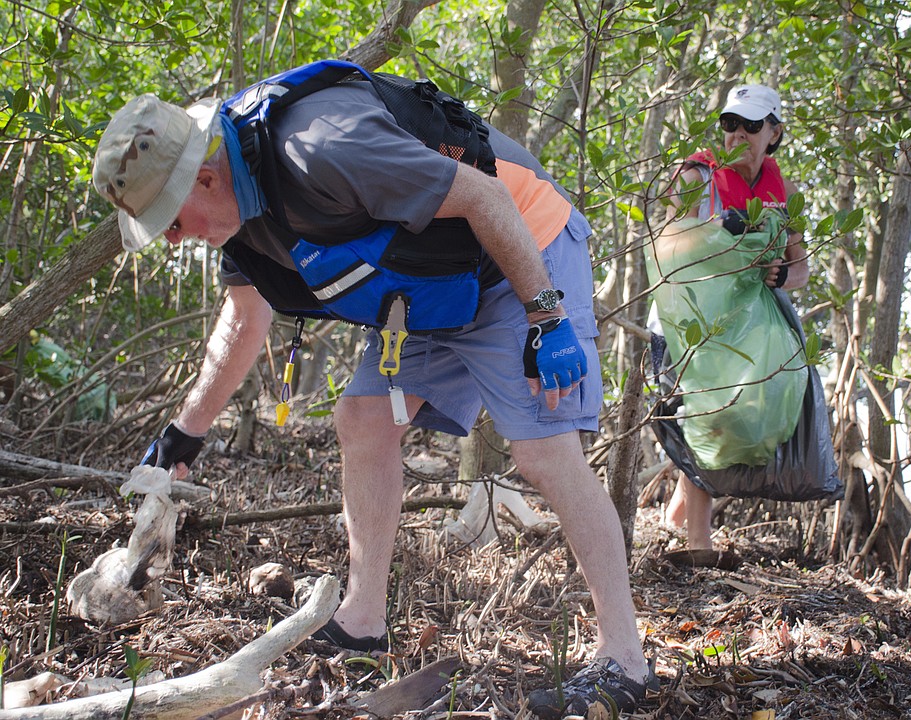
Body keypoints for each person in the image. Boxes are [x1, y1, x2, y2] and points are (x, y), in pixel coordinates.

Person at [91, 61, 650, 718]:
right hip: (432, 288)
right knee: (362, 418)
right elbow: (244, 319)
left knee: (542, 451)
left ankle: (624, 661)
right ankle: (362, 622)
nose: (176, 241)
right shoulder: (240, 213)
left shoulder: (324, 147)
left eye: (173, 222)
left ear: (205, 178)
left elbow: (487, 199)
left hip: (523, 252)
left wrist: (547, 316)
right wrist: (186, 431)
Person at [658, 83, 809, 550]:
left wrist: (781, 275)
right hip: (693, 321)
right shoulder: (694, 175)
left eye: (751, 125)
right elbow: (662, 242)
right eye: (729, 124)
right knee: (707, 416)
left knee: (744, 422)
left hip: (752, 329)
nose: (737, 134)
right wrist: (715, 235)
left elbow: (801, 266)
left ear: (775, 133)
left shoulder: (785, 190)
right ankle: (698, 548)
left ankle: (671, 520)